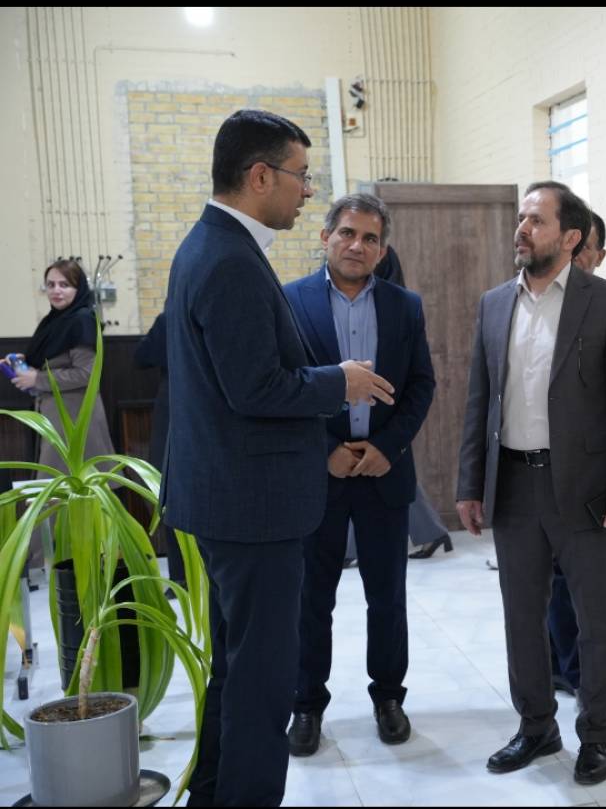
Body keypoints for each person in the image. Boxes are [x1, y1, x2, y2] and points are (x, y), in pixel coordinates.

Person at [163, 109, 394, 807]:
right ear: (260, 176)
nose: (306, 190)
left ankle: (213, 794)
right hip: (253, 509)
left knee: (237, 671)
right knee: (263, 685)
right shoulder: (230, 260)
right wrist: (339, 381)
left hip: (232, 501)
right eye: (300, 175)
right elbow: (255, 388)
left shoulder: (212, 245)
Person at [456, 182, 606, 786]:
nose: (522, 229)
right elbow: (480, 401)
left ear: (570, 238)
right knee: (522, 616)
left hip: (584, 488)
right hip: (513, 486)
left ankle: (596, 733)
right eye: (521, 218)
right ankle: (536, 725)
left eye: (536, 220)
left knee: (596, 619)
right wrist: (470, 483)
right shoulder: (494, 304)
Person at [282, 193, 435, 756]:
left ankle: (389, 697)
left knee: (386, 597)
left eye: (370, 238)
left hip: (382, 474)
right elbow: (285, 386)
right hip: (317, 477)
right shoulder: (289, 301)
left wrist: (387, 448)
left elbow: (421, 385)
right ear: (326, 237)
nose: (357, 245)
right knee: (311, 599)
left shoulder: (404, 306)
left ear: (382, 250)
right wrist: (325, 449)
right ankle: (306, 705)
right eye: (347, 233)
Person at [546, 209, 606, 697]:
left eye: (583, 247)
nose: (573, 254)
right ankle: (552, 664)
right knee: (542, 579)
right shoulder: (529, 303)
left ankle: (580, 671)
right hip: (531, 470)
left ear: (597, 256)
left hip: (585, 474)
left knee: (579, 583)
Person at [371, 244, 454, 561]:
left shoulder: (396, 307)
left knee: (387, 466)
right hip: (386, 399)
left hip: (387, 402)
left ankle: (431, 531)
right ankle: (431, 532)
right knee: (385, 470)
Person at [5, 260, 116, 475]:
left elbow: (86, 373)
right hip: (57, 413)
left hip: (75, 415)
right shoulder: (55, 320)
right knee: (59, 482)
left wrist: (37, 379)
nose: (56, 290)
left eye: (64, 285)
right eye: (51, 284)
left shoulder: (81, 320)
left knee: (72, 482)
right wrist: (27, 360)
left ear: (78, 288)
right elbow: (56, 357)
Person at [133, 311, 186, 595]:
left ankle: (181, 577)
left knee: (172, 494)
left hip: (175, 411)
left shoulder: (171, 317)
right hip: (191, 411)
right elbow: (141, 358)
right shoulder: (172, 318)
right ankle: (187, 575)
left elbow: (142, 356)